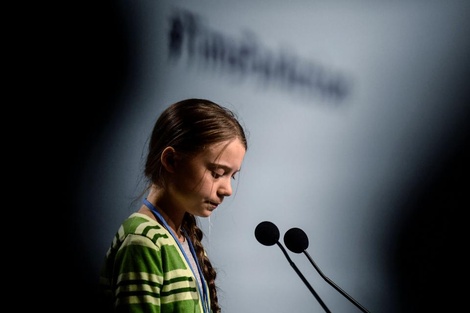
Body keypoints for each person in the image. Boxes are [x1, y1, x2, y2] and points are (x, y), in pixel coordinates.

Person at [98, 98, 248, 313]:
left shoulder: (180, 238)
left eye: (232, 177)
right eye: (217, 173)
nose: (227, 190)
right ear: (171, 161)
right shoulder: (144, 240)